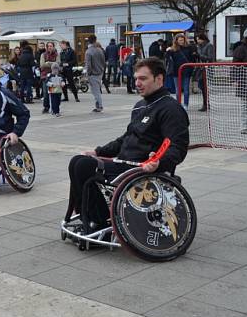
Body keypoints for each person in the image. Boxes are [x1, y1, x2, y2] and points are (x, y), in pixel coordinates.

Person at [65, 57, 189, 230]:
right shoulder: (140, 105)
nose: (137, 83)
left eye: (143, 79)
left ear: (159, 79)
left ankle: (98, 221)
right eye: (136, 78)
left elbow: (178, 146)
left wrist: (159, 162)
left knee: (83, 166)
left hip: (142, 168)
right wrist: (98, 151)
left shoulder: (171, 109)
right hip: (124, 162)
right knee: (77, 160)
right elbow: (125, 139)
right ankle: (90, 214)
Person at [165, 33, 192, 108]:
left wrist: (191, 68)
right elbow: (167, 58)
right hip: (176, 71)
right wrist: (167, 51)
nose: (181, 42)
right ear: (176, 41)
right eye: (180, 40)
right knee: (178, 89)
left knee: (186, 89)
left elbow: (191, 58)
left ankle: (186, 104)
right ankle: (178, 104)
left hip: (186, 70)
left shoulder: (188, 48)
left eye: (182, 40)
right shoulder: (173, 49)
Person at [195, 33, 215, 111]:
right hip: (200, 68)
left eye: (198, 39)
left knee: (205, 87)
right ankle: (205, 103)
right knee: (201, 86)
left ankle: (206, 104)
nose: (197, 41)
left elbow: (210, 57)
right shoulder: (199, 46)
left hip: (207, 68)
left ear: (202, 39)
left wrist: (199, 56)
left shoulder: (209, 45)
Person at [85, 36, 105, 112]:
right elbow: (103, 62)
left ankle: (99, 106)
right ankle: (98, 105)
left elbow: (88, 65)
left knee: (95, 91)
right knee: (97, 90)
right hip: (100, 72)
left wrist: (88, 73)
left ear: (88, 42)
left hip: (93, 74)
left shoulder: (88, 51)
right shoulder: (100, 50)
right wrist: (102, 69)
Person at [39, 42, 59, 114]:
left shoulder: (57, 54)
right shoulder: (43, 55)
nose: (50, 47)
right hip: (45, 76)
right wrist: (52, 64)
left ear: (53, 47)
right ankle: (46, 107)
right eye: (48, 46)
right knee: (46, 93)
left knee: (55, 92)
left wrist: (48, 63)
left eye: (51, 46)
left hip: (55, 75)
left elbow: (58, 64)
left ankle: (55, 108)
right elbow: (42, 65)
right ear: (46, 47)